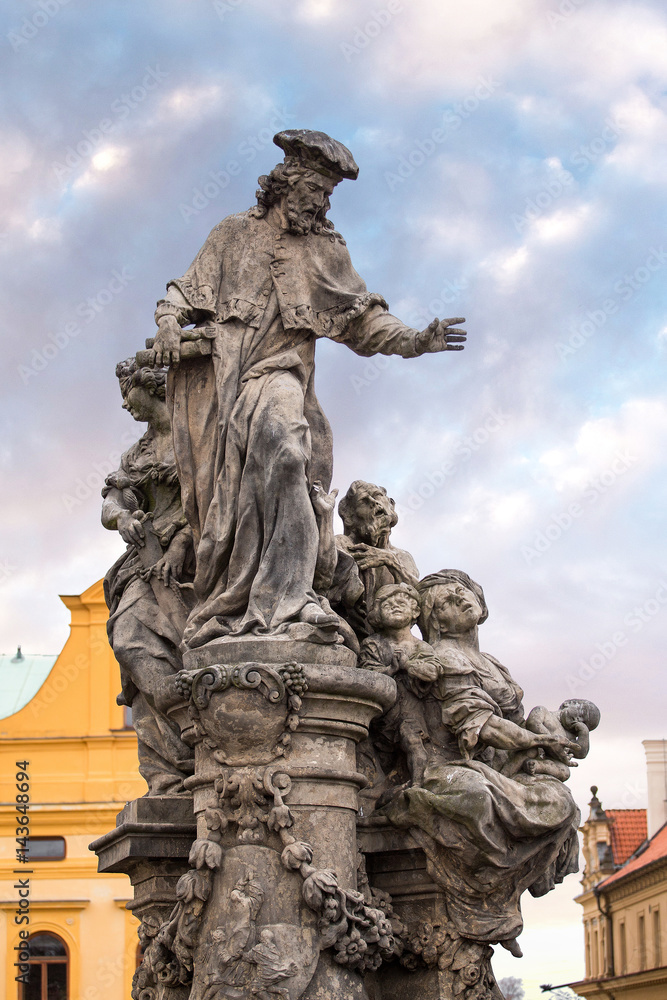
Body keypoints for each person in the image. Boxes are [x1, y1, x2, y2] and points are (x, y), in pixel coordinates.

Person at [150, 130, 466, 650]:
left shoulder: (325, 250)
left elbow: (363, 322)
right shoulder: (233, 234)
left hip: (278, 377)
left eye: (327, 195)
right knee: (221, 504)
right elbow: (184, 292)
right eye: (314, 191)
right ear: (284, 184)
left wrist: (416, 340)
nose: (320, 203)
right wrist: (168, 323)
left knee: (287, 449)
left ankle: (289, 596)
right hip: (222, 388)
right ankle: (238, 591)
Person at [382, 569, 585, 958]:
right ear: (434, 621)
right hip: (450, 765)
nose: (459, 597)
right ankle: (482, 890)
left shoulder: (492, 663)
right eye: (445, 600)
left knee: (558, 800)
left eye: (462, 589)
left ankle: (495, 890)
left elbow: (516, 722)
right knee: (474, 797)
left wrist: (555, 735)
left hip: (502, 766)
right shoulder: (442, 656)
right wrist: (540, 740)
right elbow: (481, 724)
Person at [102, 359, 195, 794]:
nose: (124, 405)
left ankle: (199, 740)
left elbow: (221, 498)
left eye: (128, 393)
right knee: (128, 638)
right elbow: (112, 503)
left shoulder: (197, 435)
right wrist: (122, 518)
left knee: (181, 647)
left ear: (152, 386)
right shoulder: (136, 453)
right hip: (145, 557)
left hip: (199, 554)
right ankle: (176, 759)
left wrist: (180, 546)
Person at [359, 583, 441, 788]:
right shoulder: (373, 644)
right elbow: (366, 672)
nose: (395, 606)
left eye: (401, 603)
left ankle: (419, 786)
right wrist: (390, 670)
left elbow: (432, 671)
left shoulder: (420, 646)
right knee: (383, 760)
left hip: (412, 711)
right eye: (387, 604)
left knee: (414, 743)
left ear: (415, 610)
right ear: (377, 614)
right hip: (383, 714)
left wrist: (407, 665)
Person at [332, 481, 419, 639]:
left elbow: (420, 603)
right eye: (364, 501)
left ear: (391, 507)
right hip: (344, 634)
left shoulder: (401, 557)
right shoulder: (340, 545)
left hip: (391, 642)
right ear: (350, 517)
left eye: (377, 497)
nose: (374, 503)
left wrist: (391, 562)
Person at [503, 698, 600, 780]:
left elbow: (580, 753)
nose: (579, 720)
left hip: (545, 759)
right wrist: (551, 742)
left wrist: (584, 732)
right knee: (531, 751)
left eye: (584, 723)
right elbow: (533, 723)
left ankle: (537, 766)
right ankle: (505, 774)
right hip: (530, 746)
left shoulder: (569, 737)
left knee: (565, 772)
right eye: (581, 714)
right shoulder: (543, 711)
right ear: (568, 703)